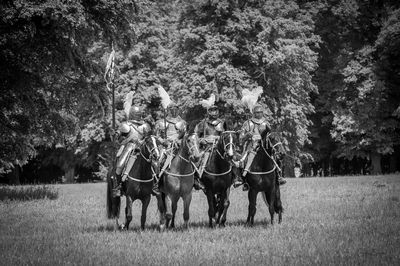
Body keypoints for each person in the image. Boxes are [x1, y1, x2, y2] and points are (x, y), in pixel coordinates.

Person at [234, 104, 286, 190]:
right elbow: (240, 139)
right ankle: (241, 179)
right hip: (251, 145)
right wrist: (247, 135)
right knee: (242, 160)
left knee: (275, 156)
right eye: (257, 112)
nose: (259, 114)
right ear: (253, 113)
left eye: (261, 112)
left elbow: (270, 135)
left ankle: (278, 176)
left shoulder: (266, 122)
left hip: (265, 145)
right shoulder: (247, 123)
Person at [155, 102, 202, 190]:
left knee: (192, 159)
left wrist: (178, 140)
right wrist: (163, 141)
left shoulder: (183, 122)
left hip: (179, 146)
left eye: (176, 109)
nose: (174, 112)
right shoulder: (161, 122)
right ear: (169, 110)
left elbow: (186, 135)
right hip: (166, 147)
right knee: (159, 161)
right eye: (172, 110)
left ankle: (196, 180)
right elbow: (157, 136)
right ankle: (157, 182)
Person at [113, 105, 156, 197]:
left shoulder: (145, 125)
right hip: (129, 147)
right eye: (136, 114)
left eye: (139, 114)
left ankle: (154, 185)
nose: (138, 116)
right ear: (132, 114)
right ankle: (118, 186)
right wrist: (116, 134)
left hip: (143, 148)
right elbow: (118, 138)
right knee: (120, 164)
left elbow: (149, 138)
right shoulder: (126, 125)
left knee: (155, 164)